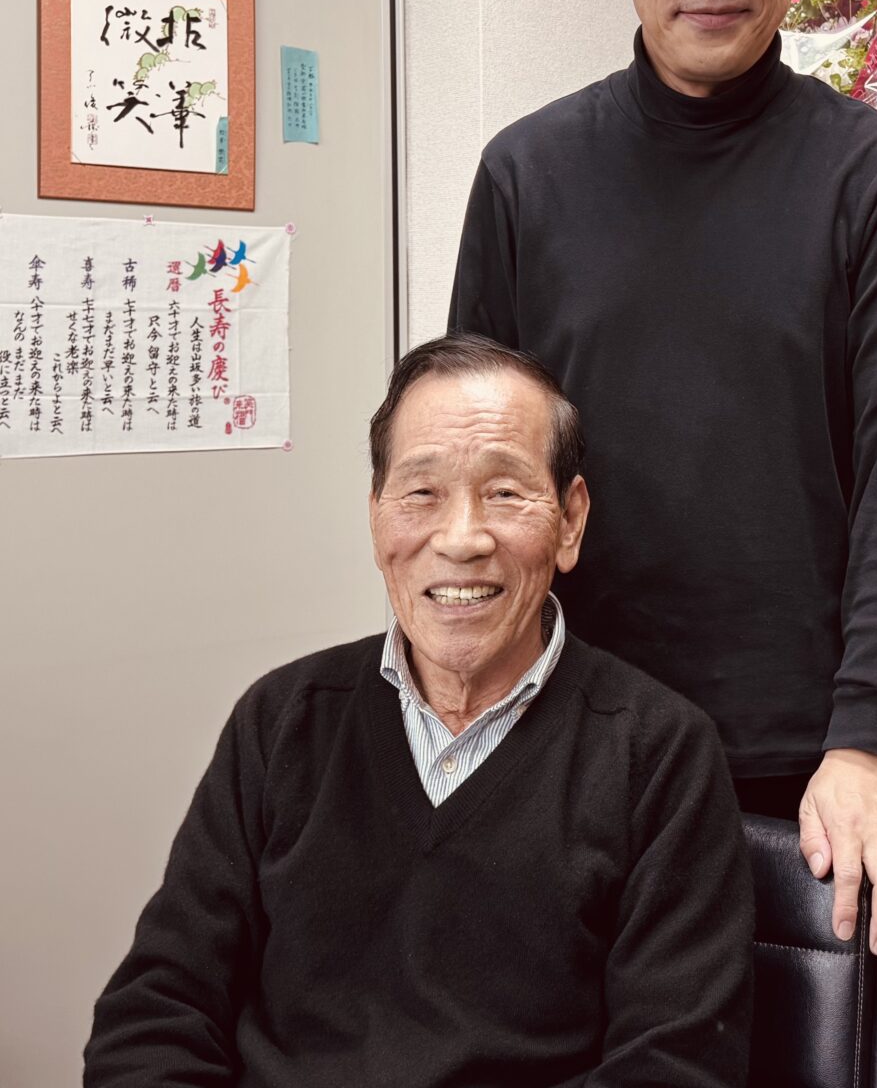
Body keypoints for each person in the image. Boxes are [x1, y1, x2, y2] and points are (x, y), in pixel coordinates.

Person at [448, 0, 877, 959]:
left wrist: (871, 739)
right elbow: (477, 464)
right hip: (561, 727)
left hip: (803, 759)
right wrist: (460, 687)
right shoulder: (526, 175)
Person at [85, 333, 752, 1088]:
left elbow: (677, 1064)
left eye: (505, 492)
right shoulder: (282, 721)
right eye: (421, 493)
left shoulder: (659, 754)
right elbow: (155, 1015)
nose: (461, 539)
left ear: (569, 521)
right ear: (376, 518)